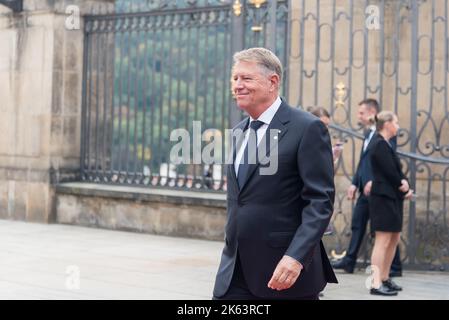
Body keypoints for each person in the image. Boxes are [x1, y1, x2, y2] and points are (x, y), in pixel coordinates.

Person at [213, 48, 337, 300]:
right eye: (235, 78)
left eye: (246, 78)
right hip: (233, 272)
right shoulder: (238, 131)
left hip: (284, 273)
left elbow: (320, 202)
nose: (238, 85)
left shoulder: (307, 128)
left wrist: (296, 257)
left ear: (273, 82)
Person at [331, 99, 402, 276]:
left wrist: (372, 180)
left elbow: (385, 162)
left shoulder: (385, 136)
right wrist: (355, 182)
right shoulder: (367, 134)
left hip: (377, 187)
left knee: (386, 231)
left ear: (372, 113)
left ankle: (393, 267)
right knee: (358, 222)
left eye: (361, 113)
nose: (358, 116)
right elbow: (364, 161)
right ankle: (349, 261)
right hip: (365, 188)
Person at [368, 111, 413, 296]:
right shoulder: (378, 143)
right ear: (387, 124)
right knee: (382, 240)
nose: (398, 125)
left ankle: (385, 278)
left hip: (392, 198)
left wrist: (404, 185)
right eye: (396, 121)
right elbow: (389, 172)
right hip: (383, 199)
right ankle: (375, 283)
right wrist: (402, 184)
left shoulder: (386, 144)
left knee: (393, 239)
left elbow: (395, 170)